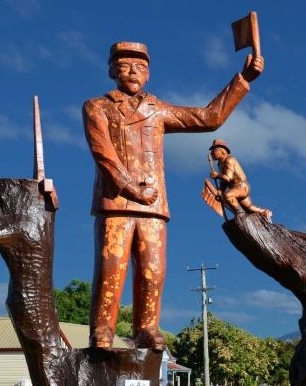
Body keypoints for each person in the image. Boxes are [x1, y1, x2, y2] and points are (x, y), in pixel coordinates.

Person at [83, 41, 264, 350]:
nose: (133, 72)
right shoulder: (97, 106)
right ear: (112, 71)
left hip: (153, 205)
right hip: (116, 201)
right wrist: (132, 188)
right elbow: (104, 154)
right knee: (111, 266)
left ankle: (147, 328)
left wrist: (243, 79)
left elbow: (208, 117)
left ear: (148, 74)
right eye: (125, 66)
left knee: (153, 269)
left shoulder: (157, 110)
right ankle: (103, 328)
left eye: (140, 67)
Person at [208, 139, 272, 220]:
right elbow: (224, 182)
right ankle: (265, 212)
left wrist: (217, 175)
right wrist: (220, 190)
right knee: (249, 208)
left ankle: (240, 214)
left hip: (241, 187)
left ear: (221, 151)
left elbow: (228, 178)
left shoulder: (229, 160)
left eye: (213, 151)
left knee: (227, 196)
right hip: (234, 188)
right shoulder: (220, 164)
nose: (211, 154)